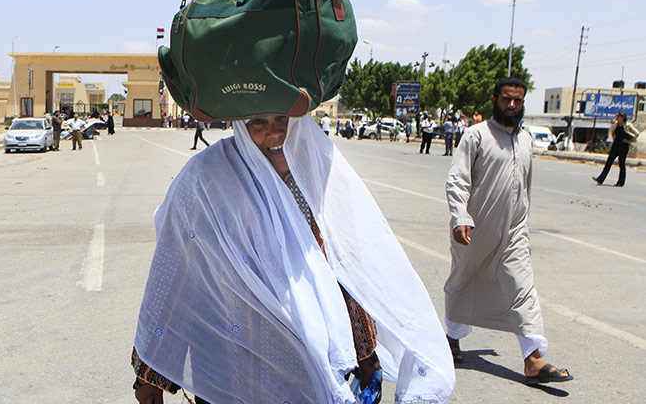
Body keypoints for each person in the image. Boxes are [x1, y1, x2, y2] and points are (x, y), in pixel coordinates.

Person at [132, 115, 455, 404]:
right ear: (240, 126)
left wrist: (365, 353)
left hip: (307, 360)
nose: (276, 133)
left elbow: (347, 267)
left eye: (284, 119)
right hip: (231, 354)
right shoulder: (207, 177)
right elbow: (175, 270)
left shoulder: (319, 172)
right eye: (258, 122)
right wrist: (150, 375)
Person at [444, 77, 573, 386]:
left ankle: (533, 359)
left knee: (522, 287)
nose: (512, 105)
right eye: (506, 99)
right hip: (476, 228)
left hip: (514, 232)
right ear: (494, 100)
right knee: (463, 284)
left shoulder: (526, 140)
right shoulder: (476, 136)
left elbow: (524, 189)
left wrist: (523, 226)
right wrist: (460, 216)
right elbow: (457, 179)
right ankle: (451, 339)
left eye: (517, 100)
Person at [593, 110, 640, 187]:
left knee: (621, 163)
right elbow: (613, 132)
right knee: (609, 162)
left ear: (622, 117)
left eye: (618, 116)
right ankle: (600, 179)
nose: (617, 118)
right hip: (615, 145)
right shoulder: (616, 125)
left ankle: (620, 182)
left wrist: (629, 141)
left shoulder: (628, 125)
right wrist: (614, 138)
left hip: (623, 146)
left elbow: (637, 134)